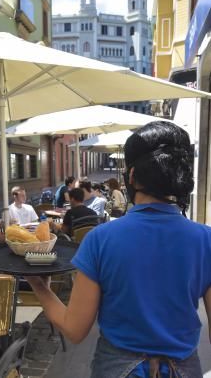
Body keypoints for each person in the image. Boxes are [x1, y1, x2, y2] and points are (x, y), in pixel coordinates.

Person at [25, 121, 211, 378]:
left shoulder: (101, 239)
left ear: (131, 176)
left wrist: (39, 286)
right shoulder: (206, 240)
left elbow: (75, 329)